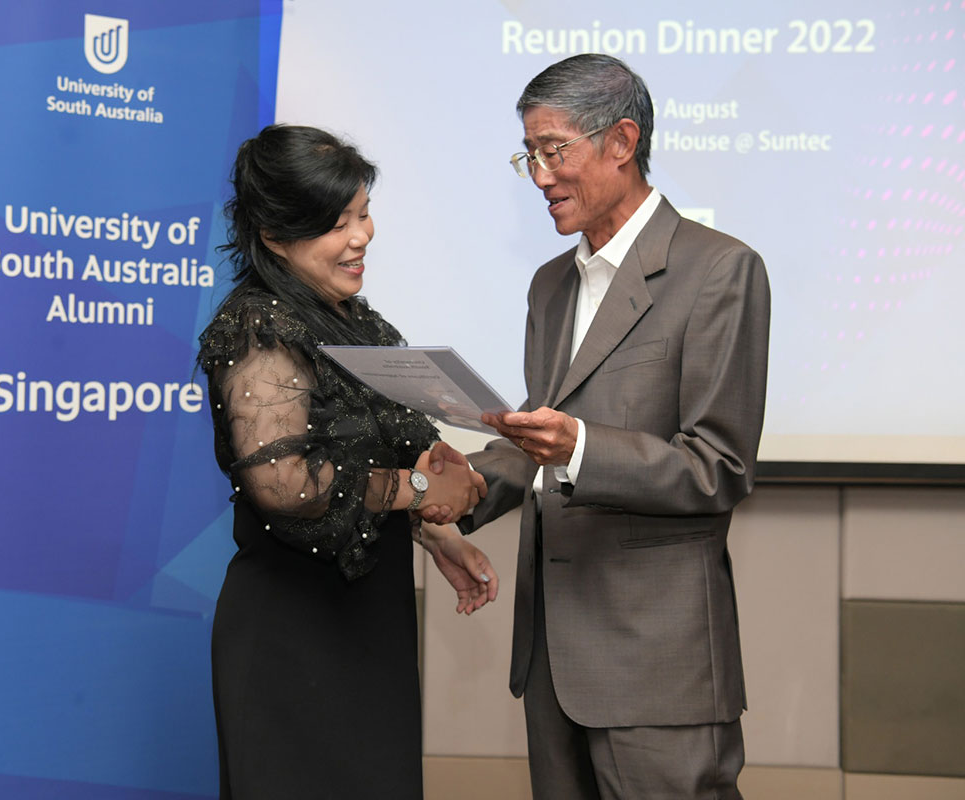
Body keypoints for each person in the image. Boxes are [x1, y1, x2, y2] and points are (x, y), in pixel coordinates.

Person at [448, 54, 771, 798]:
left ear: (622, 142)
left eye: (553, 151)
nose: (539, 176)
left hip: (657, 667)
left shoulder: (720, 270)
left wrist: (582, 448)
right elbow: (539, 441)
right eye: (528, 155)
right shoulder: (550, 284)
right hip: (551, 662)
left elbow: (718, 467)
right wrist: (454, 483)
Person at [197, 124, 497, 800]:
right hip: (292, 637)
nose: (363, 235)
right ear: (275, 236)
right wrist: (418, 487)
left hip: (370, 628)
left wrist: (438, 532)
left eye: (363, 213)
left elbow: (388, 448)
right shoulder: (259, 328)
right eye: (338, 224)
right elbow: (285, 485)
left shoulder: (358, 323)